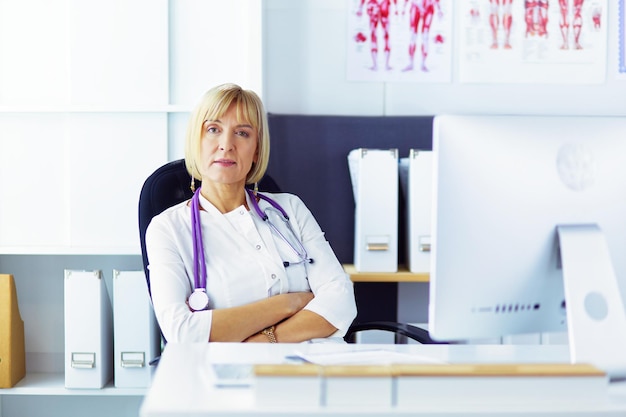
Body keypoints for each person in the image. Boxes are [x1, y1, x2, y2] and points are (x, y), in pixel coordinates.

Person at [145, 83, 357, 344]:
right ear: (195, 141)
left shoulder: (290, 209)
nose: (226, 145)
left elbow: (341, 301)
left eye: (242, 133)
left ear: (256, 150)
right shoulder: (167, 228)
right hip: (227, 376)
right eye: (213, 129)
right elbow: (182, 331)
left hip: (314, 369)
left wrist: (262, 342)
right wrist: (290, 303)